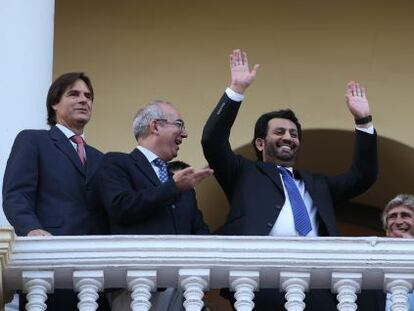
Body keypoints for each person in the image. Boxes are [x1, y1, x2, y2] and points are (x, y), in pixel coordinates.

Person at [201, 50, 378, 310]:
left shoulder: (318, 184)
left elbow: (363, 176)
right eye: (280, 131)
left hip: (318, 282)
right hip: (260, 281)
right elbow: (212, 142)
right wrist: (236, 90)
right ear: (261, 143)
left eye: (294, 134)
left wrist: (364, 122)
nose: (288, 137)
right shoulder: (243, 173)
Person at [2, 72, 109, 310]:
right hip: (48, 263)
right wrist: (31, 229)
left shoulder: (100, 158)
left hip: (94, 270)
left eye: (88, 96)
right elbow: (16, 194)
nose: (84, 100)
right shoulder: (33, 140)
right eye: (74, 94)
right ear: (54, 103)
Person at [96, 99, 213, 310]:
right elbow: (121, 207)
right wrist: (172, 188)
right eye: (178, 124)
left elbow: (199, 231)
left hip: (183, 290)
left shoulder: (179, 181)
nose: (184, 134)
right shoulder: (116, 163)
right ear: (155, 126)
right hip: (137, 286)